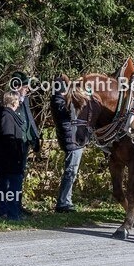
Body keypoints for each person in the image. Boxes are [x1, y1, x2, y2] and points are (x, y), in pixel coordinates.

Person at [0, 91, 28, 220]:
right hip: (9, 160)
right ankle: (10, 214)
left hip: (8, 159)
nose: (19, 103)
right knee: (11, 186)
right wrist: (16, 155)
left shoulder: (8, 115)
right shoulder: (6, 116)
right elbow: (8, 138)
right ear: (14, 102)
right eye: (17, 100)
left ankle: (6, 213)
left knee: (5, 185)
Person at [51, 76, 88, 213]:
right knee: (70, 171)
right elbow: (70, 110)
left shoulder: (60, 100)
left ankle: (67, 200)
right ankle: (63, 202)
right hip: (72, 140)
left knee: (71, 171)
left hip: (72, 139)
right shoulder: (58, 101)